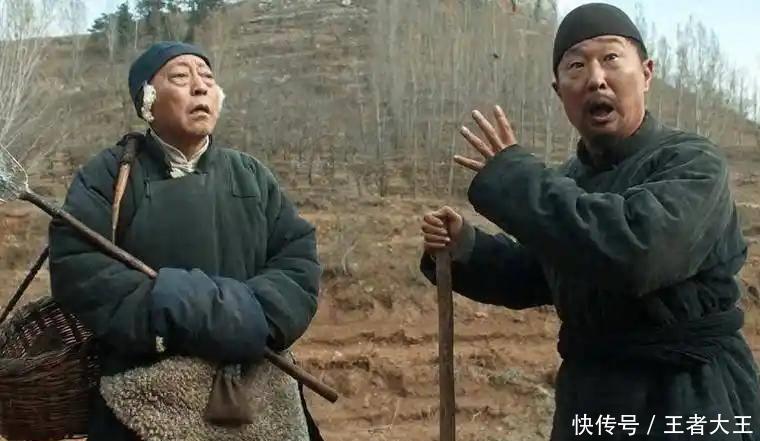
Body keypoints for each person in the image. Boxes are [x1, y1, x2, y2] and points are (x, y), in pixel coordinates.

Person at [420, 3, 760, 440]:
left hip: (689, 395)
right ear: (559, 91)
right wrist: (467, 247)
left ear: (647, 73)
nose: (596, 78)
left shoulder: (693, 163)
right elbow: (541, 272)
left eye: (611, 58)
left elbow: (637, 253)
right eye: (576, 66)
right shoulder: (569, 180)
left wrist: (517, 181)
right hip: (592, 401)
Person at [48, 41, 323, 440]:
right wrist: (173, 308)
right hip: (142, 392)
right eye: (180, 77)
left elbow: (297, 262)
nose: (200, 86)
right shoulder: (109, 176)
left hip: (257, 384)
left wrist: (249, 318)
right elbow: (79, 269)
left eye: (207, 78)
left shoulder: (250, 175)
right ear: (147, 101)